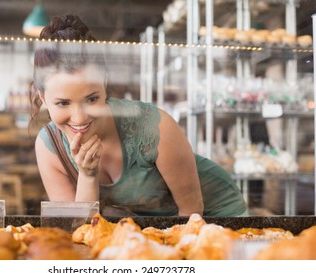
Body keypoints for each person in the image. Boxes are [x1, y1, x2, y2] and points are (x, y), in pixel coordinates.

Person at [29, 14, 248, 217]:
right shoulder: (51, 148)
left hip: (216, 216)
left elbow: (192, 213)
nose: (79, 118)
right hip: (160, 227)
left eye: (91, 99)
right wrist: (87, 175)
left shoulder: (154, 127)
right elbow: (77, 231)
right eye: (63, 103)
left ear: (104, 83)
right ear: (43, 98)